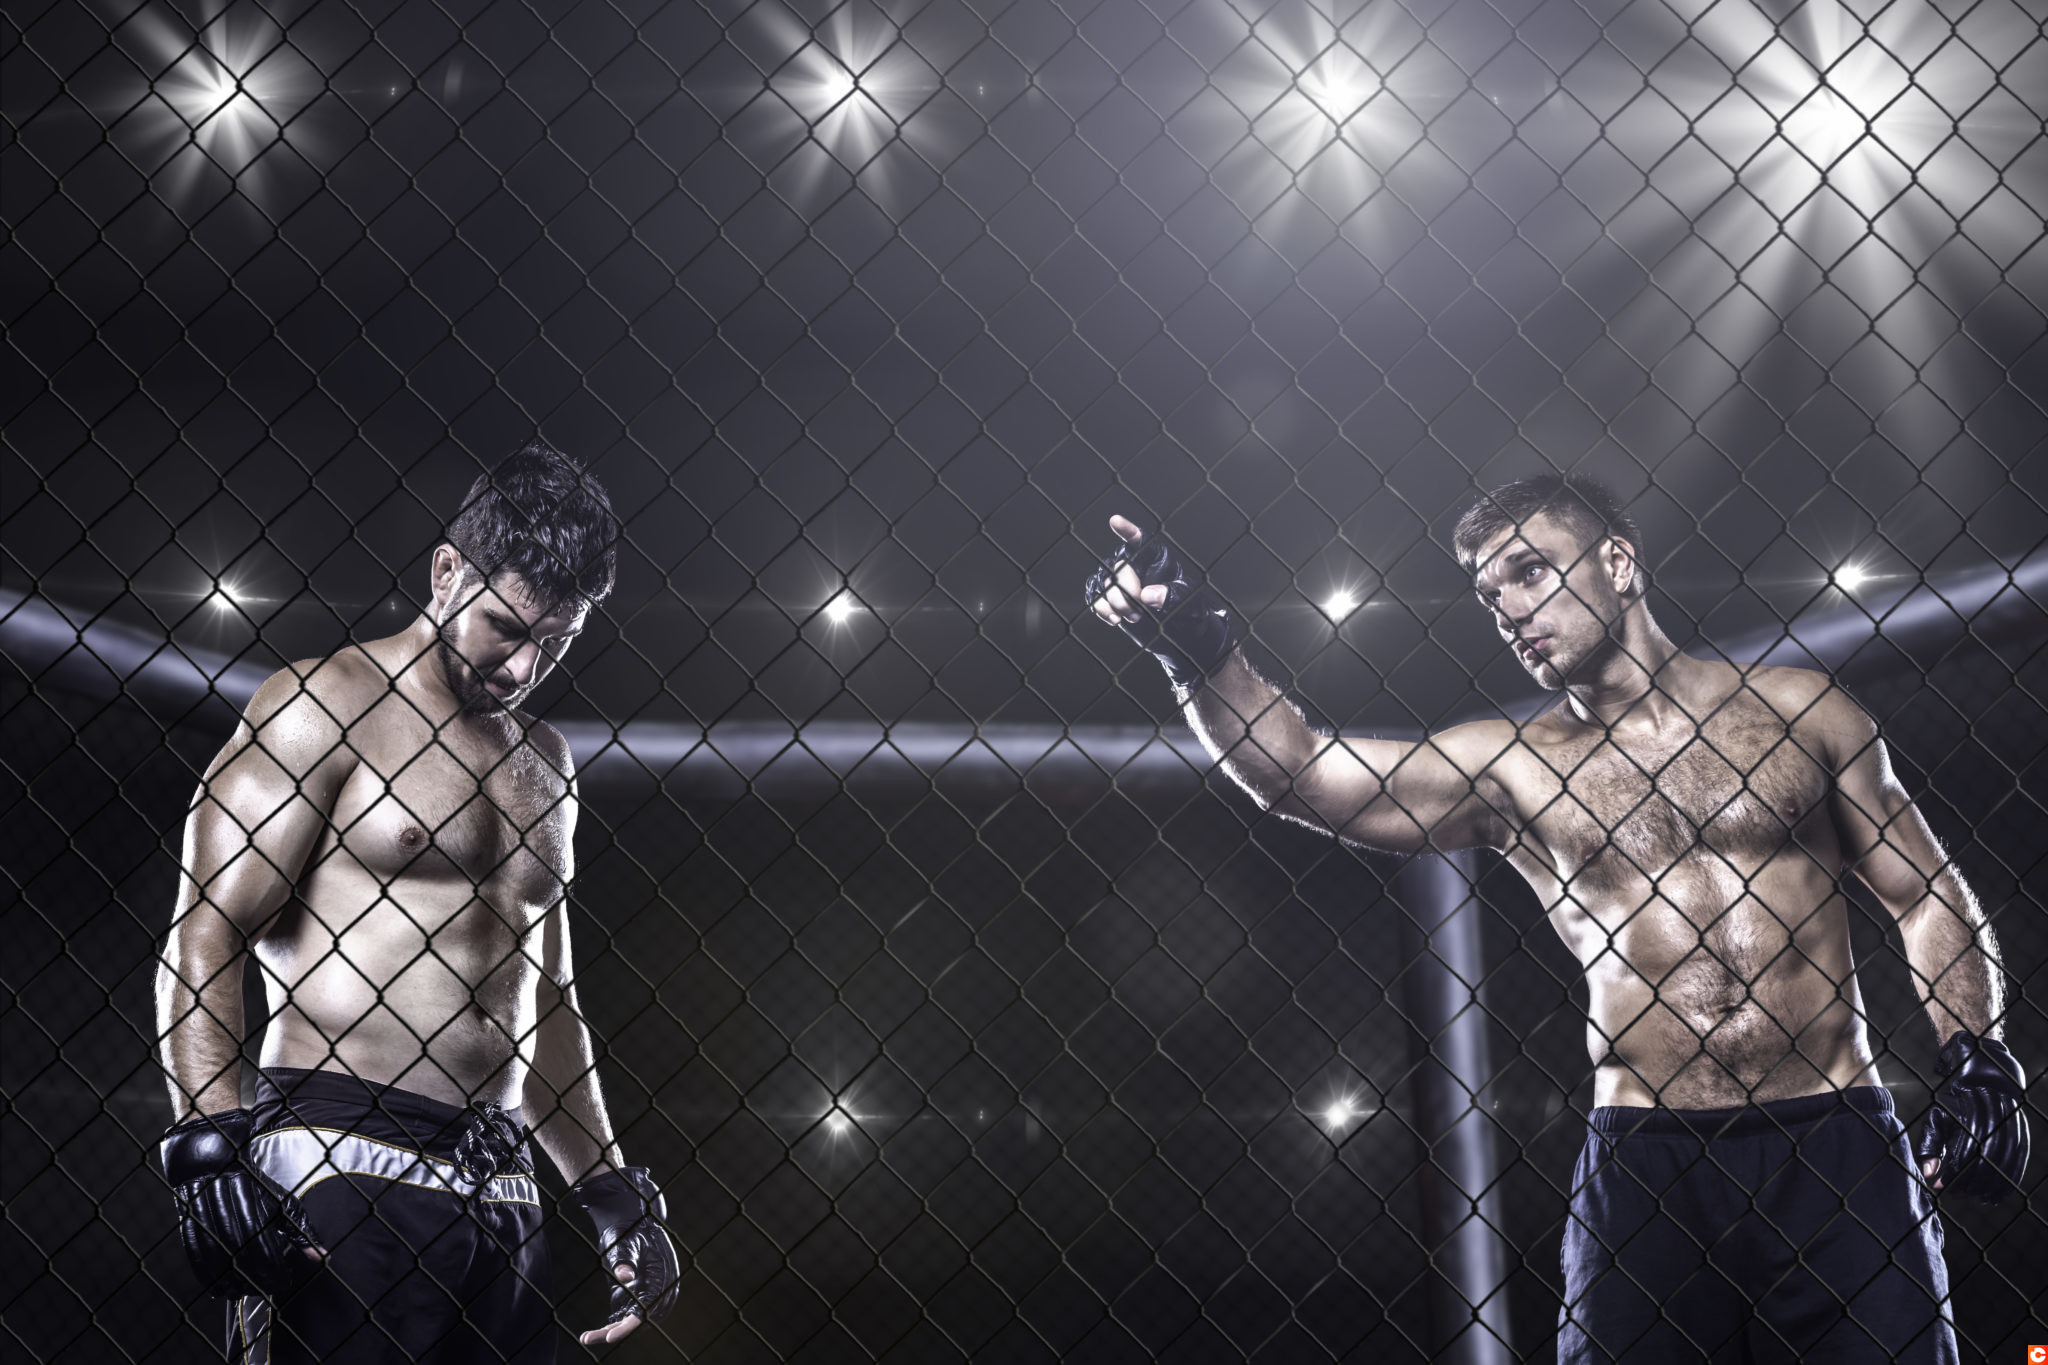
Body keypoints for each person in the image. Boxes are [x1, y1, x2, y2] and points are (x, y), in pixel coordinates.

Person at [1085, 474, 2026, 1363]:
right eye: (1492, 597)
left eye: (1530, 571)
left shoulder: (1802, 712)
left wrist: (1975, 1054)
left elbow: (1925, 891)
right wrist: (1198, 647)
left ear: (1618, 562)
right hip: (1649, 1164)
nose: (1512, 610)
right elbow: (1299, 773)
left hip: (1836, 1141)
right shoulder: (1513, 766)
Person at [156, 442, 679, 1363]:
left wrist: (608, 1190)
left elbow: (546, 1002)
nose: (522, 668)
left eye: (555, 642)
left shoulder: (545, 763)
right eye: (505, 629)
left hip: (500, 1187)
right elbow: (205, 936)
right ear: (447, 571)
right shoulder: (323, 706)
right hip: (337, 1159)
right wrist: (208, 1147)